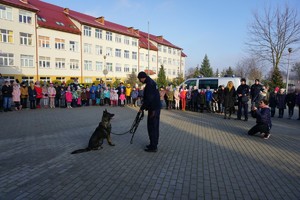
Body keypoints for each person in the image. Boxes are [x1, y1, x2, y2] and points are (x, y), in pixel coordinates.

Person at [138, 71, 161, 152]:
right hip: (155, 108)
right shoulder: (151, 82)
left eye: (140, 79)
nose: (140, 81)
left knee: (152, 127)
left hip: (153, 109)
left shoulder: (150, 85)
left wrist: (142, 108)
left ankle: (153, 146)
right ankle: (153, 143)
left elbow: (149, 99)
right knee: (154, 126)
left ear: (142, 78)